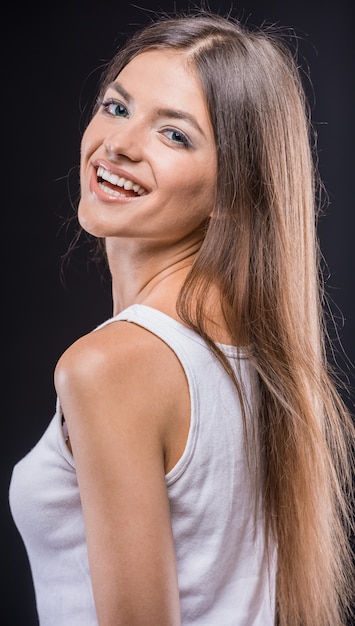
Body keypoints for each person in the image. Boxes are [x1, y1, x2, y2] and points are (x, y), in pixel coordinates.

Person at [8, 9, 355, 626]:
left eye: (174, 135)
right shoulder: (259, 358)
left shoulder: (111, 366)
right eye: (117, 107)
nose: (118, 144)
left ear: (233, 194)